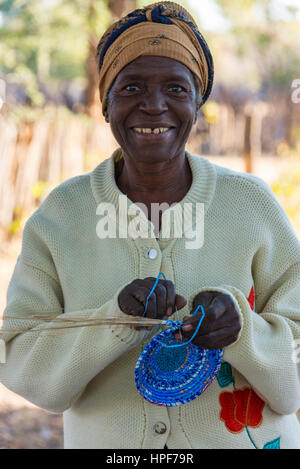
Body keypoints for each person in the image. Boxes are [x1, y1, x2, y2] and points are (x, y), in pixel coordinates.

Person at [0, 1, 300, 449]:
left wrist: (244, 330)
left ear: (198, 103)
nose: (154, 106)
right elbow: (20, 362)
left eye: (176, 89)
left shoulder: (250, 206)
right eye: (132, 86)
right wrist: (114, 319)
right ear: (105, 104)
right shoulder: (61, 218)